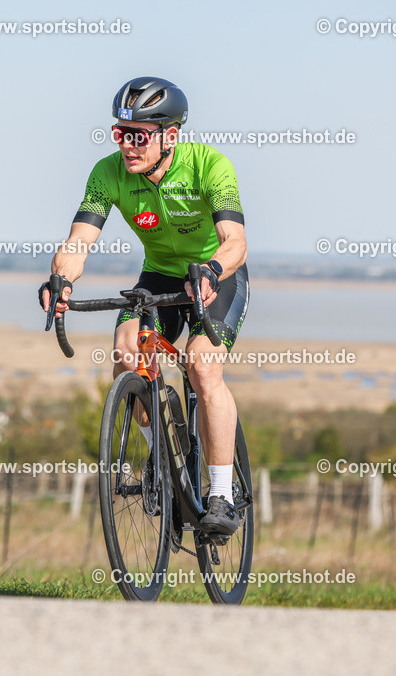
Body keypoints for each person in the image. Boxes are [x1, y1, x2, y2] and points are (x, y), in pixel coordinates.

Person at [40, 76, 249, 534]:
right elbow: (79, 241)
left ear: (170, 135)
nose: (127, 146)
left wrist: (213, 269)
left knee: (202, 365)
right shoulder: (108, 173)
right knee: (126, 350)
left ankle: (219, 494)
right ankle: (161, 458)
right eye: (120, 133)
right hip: (159, 275)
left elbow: (237, 242)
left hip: (216, 275)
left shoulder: (210, 165)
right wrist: (61, 280)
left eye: (138, 136)